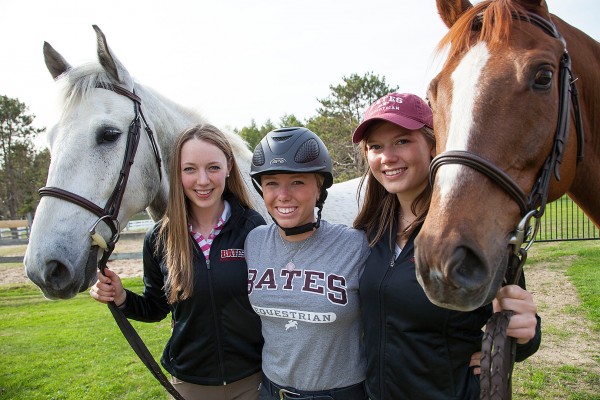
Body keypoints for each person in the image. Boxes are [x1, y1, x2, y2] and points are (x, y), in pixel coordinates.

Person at [352, 92, 542, 400]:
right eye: (375, 146)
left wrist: (522, 335)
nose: (387, 156)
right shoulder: (370, 232)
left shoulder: (468, 234)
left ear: (433, 145)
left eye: (402, 141)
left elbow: (517, 322)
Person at [90, 124, 266, 400]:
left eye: (213, 167)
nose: (203, 180)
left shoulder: (253, 227)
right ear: (177, 172)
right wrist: (122, 296)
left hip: (252, 380)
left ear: (229, 167)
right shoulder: (159, 238)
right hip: (189, 384)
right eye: (190, 169)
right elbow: (155, 307)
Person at [245, 127, 370, 400]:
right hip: (270, 392)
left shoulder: (355, 246)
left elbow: (393, 314)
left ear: (319, 188)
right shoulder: (254, 243)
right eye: (272, 183)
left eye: (297, 182)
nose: (283, 195)